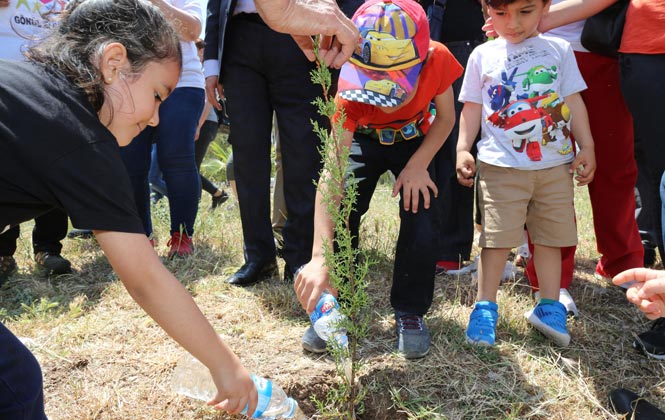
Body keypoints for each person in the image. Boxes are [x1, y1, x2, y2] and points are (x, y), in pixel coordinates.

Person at [296, 0, 462, 359]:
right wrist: (319, 257)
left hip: (416, 139)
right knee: (343, 211)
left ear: (419, 60)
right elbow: (333, 172)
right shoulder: (348, 87)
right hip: (364, 140)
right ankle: (333, 304)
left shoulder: (436, 58)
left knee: (423, 209)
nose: (383, 96)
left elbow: (446, 120)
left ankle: (410, 311)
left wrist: (418, 166)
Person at [456, 0, 596, 347]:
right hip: (500, 167)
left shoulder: (559, 50)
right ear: (485, 9)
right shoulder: (482, 55)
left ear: (546, 6)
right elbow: (472, 107)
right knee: (496, 241)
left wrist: (587, 145)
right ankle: (485, 308)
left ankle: (548, 306)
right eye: (500, 14)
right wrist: (462, 147)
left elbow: (574, 101)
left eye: (525, 11)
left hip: (554, 167)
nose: (513, 23)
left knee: (549, 238)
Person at [204, 0, 361, 287]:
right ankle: (258, 256)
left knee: (304, 152)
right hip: (239, 39)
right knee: (247, 154)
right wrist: (211, 64)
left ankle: (301, 256)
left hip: (300, 32)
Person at [506, 0, 643, 318]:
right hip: (537, 53)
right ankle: (551, 281)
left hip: (604, 47)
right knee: (546, 169)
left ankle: (621, 261)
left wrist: (542, 18)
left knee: (615, 164)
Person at [119, 0, 205, 258]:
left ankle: (182, 236)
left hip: (184, 84)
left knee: (176, 160)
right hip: (131, 84)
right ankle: (142, 236)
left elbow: (192, 31)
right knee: (131, 162)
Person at [0, 0, 72, 282]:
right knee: (6, 170)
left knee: (53, 168)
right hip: (6, 83)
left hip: (52, 85)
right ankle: (3, 252)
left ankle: (48, 248)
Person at [420, 0, 486, 274]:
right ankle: (434, 244)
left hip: (466, 41)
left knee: (459, 149)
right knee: (433, 149)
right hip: (416, 42)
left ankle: (452, 248)